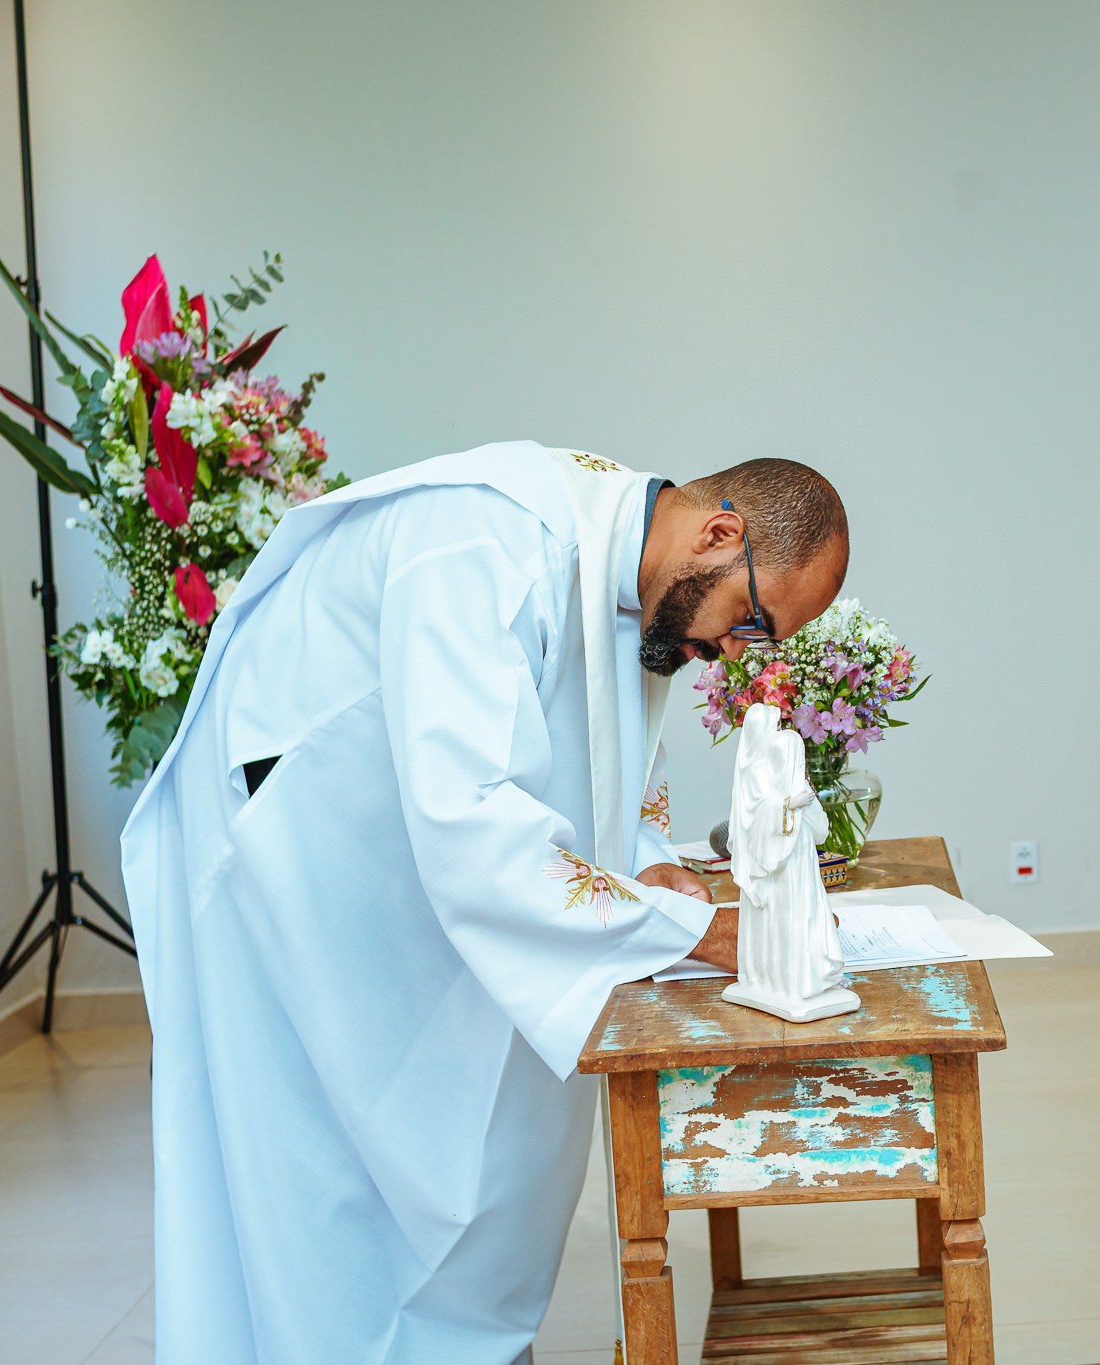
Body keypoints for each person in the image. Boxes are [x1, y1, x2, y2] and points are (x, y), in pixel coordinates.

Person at [121, 444, 847, 1364]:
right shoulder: (486, 542)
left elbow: (618, 759)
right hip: (296, 851)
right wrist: (703, 930)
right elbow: (469, 818)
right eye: (751, 620)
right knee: (331, 1180)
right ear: (720, 533)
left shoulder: (635, 574)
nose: (733, 654)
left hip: (389, 839)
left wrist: (655, 866)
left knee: (502, 1137)